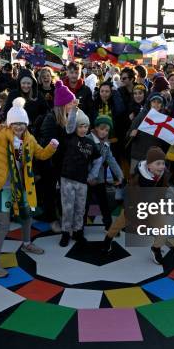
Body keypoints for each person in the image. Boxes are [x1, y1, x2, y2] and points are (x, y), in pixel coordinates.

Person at [0, 98, 58, 278]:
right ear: (9, 124)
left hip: (22, 186)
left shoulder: (29, 139)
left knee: (27, 217)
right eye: (15, 123)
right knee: (4, 224)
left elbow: (41, 155)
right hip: (4, 187)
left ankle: (27, 243)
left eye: (22, 123)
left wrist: (51, 147)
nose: (19, 127)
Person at [101, 147, 171, 264]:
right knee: (117, 225)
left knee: (163, 228)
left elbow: (163, 190)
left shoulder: (164, 174)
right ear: (149, 166)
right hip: (135, 206)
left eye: (163, 163)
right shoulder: (137, 179)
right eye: (158, 163)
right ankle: (108, 240)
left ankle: (156, 248)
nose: (161, 166)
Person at [59, 105, 100, 247]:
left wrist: (92, 174)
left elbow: (98, 159)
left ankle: (78, 232)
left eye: (86, 126)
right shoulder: (70, 137)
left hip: (82, 181)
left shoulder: (90, 143)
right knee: (68, 208)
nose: (83, 129)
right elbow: (69, 125)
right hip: (67, 179)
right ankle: (66, 232)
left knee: (80, 208)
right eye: (81, 126)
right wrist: (74, 112)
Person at [38, 81, 76, 231]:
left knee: (64, 192)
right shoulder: (50, 120)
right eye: (71, 102)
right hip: (50, 164)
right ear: (63, 104)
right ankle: (52, 218)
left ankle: (62, 216)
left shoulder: (68, 117)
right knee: (50, 191)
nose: (73, 104)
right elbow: (49, 144)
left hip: (63, 163)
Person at [86, 115, 123, 230]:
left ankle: (109, 225)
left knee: (104, 203)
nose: (104, 132)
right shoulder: (87, 140)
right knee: (84, 204)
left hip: (100, 178)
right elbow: (83, 161)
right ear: (96, 128)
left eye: (107, 130)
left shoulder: (106, 144)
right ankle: (79, 228)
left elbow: (111, 160)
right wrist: (88, 177)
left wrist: (120, 175)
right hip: (86, 178)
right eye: (102, 129)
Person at [4, 68, 48, 135]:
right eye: (23, 83)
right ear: (19, 83)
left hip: (34, 133)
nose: (26, 86)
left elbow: (46, 111)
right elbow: (6, 112)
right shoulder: (13, 94)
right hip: (16, 131)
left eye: (28, 83)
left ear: (32, 83)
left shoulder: (38, 95)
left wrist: (38, 120)